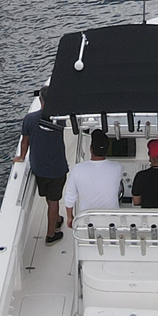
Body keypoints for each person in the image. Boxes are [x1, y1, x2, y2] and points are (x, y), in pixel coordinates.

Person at [15, 87, 68, 245]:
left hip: (39, 169)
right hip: (57, 169)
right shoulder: (60, 118)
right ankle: (51, 234)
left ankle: (57, 219)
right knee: (54, 202)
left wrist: (21, 157)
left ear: (40, 101)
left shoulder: (29, 119)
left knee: (48, 197)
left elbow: (25, 142)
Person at [63, 130, 124, 229]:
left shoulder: (78, 169)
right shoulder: (117, 167)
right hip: (112, 222)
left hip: (86, 221)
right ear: (108, 148)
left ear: (90, 149)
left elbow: (69, 197)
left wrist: (70, 217)